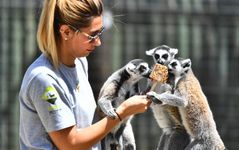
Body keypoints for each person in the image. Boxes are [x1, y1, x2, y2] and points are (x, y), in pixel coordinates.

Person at [18, 0, 151, 149]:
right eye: (93, 35)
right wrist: (122, 112)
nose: (98, 42)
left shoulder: (80, 62)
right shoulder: (44, 79)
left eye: (100, 32)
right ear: (66, 32)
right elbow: (71, 144)